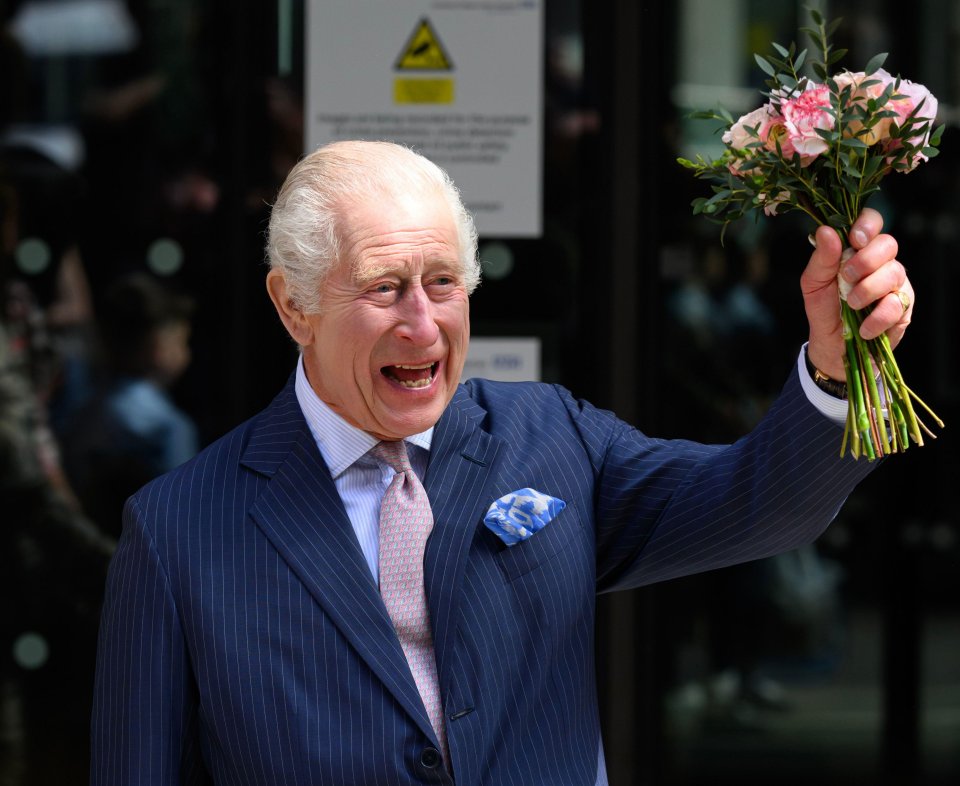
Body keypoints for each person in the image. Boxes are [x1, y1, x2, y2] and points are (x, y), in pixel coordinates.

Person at [91, 140, 914, 785]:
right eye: (383, 288)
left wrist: (837, 372)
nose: (423, 325)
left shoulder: (550, 436)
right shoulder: (178, 532)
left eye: (444, 282)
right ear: (293, 305)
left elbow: (760, 502)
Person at [63, 272, 198, 538]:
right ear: (159, 345)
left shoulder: (83, 415)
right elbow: (185, 520)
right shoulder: (169, 428)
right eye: (183, 342)